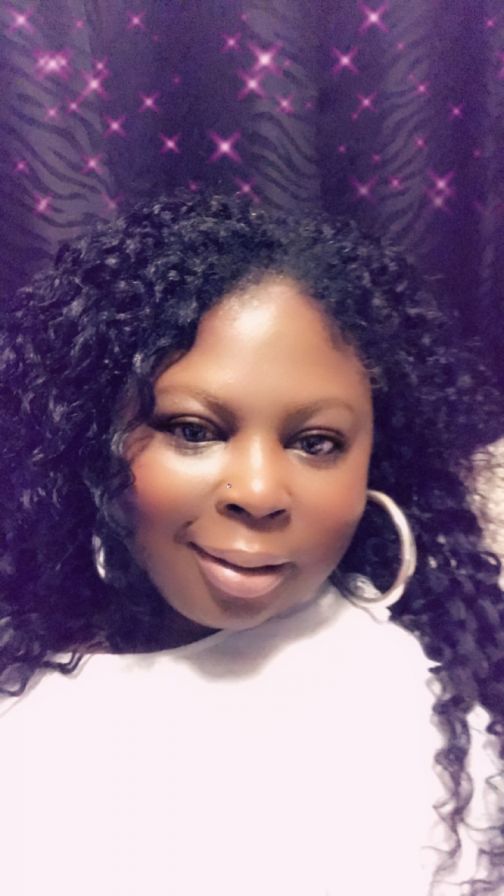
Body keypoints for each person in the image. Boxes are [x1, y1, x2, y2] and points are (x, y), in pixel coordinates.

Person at [1, 189, 504, 896]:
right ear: (93, 440)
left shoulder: (424, 719)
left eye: (316, 442)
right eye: (194, 430)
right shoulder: (26, 674)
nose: (261, 491)